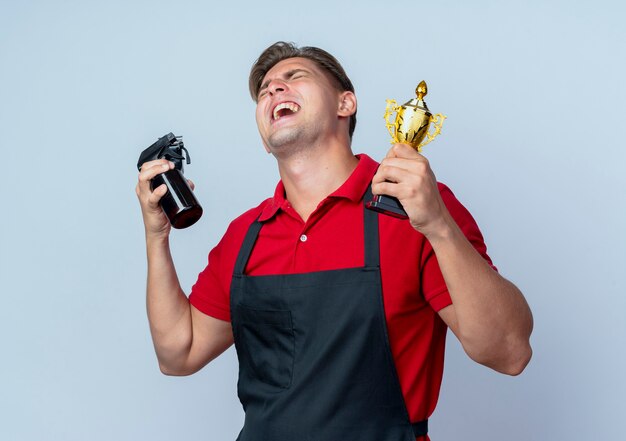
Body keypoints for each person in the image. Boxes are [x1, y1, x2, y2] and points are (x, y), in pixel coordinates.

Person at [135, 41, 533, 441]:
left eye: (295, 78)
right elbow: (178, 354)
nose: (274, 90)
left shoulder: (417, 208)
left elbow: (509, 352)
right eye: (265, 90)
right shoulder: (245, 235)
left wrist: (439, 226)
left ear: (346, 104)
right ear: (263, 135)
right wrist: (157, 236)